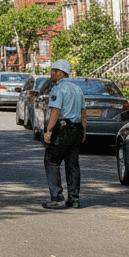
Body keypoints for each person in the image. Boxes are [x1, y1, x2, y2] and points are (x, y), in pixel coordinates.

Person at [42, 58, 87, 209]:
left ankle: (57, 197)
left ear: (60, 73)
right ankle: (74, 199)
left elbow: (56, 111)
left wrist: (48, 130)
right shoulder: (77, 89)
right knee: (72, 164)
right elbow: (83, 112)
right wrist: (84, 131)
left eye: (53, 72)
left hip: (63, 130)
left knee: (51, 160)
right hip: (77, 130)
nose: (51, 75)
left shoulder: (58, 88)